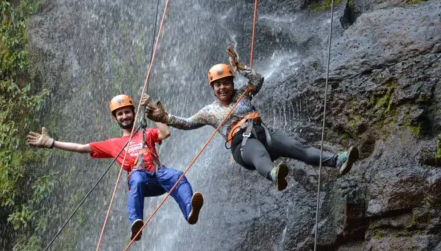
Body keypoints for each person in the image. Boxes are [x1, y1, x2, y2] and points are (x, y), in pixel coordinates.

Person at [142, 46, 359, 191]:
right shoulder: (209, 111)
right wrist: (165, 117)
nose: (222, 87)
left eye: (226, 82)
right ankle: (274, 174)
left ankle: (338, 160)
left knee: (298, 148)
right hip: (242, 145)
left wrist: (239, 67)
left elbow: (258, 79)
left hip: (264, 133)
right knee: (258, 154)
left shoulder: (243, 94)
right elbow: (188, 123)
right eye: (217, 85)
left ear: (231, 82)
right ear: (212, 88)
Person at [27, 94, 204, 241]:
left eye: (127, 112)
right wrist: (52, 143)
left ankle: (190, 211)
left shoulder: (146, 132)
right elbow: (82, 148)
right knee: (136, 178)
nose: (124, 116)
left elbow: (165, 133)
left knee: (178, 176)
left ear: (134, 113)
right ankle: (136, 225)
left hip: (159, 175)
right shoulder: (113, 144)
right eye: (120, 114)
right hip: (141, 181)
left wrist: (156, 112)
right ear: (115, 118)